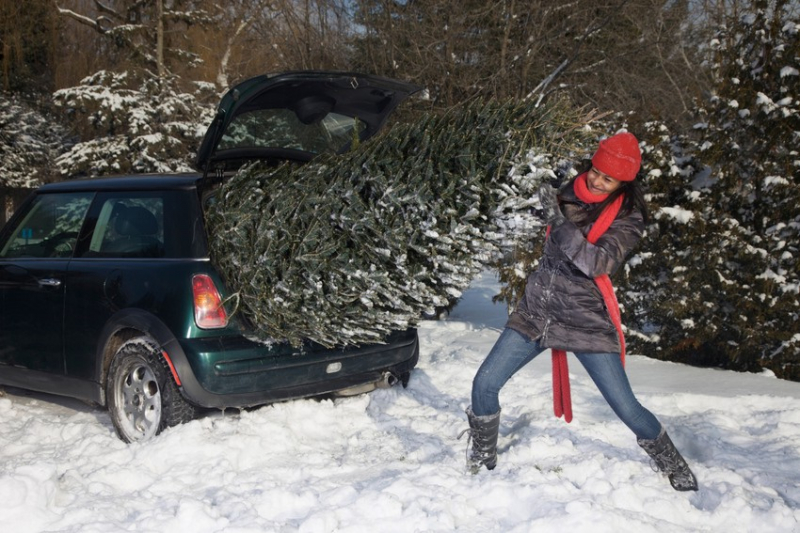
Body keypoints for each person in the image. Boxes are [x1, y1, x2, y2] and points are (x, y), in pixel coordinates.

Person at [463, 132, 698, 492]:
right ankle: (482, 455)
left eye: (609, 178)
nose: (598, 181)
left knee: (626, 406)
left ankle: (673, 464)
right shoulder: (565, 190)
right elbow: (523, 215)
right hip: (537, 312)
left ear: (624, 182)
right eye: (596, 171)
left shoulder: (629, 218)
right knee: (484, 383)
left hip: (584, 320)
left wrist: (558, 222)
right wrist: (527, 186)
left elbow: (597, 262)